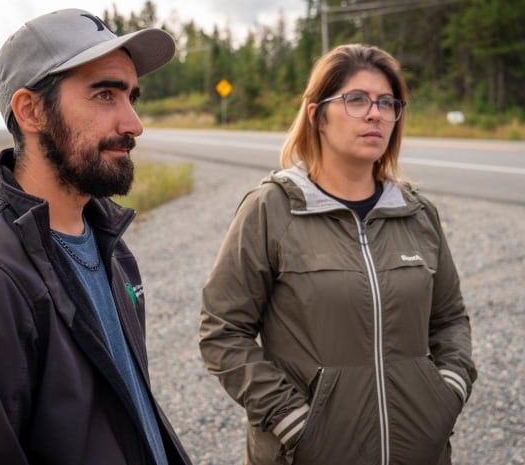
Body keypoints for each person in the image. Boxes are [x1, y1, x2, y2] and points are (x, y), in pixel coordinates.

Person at [0, 8, 192, 465]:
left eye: (132, 97)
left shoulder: (108, 240)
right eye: (104, 95)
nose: (134, 123)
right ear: (31, 111)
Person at [199, 43, 477, 464]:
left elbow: (450, 319)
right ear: (316, 116)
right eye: (356, 100)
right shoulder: (271, 209)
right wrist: (293, 421)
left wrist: (448, 392)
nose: (375, 114)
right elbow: (222, 331)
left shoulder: (417, 214)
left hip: (420, 450)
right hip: (310, 453)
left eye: (387, 102)